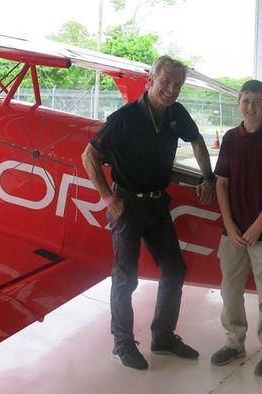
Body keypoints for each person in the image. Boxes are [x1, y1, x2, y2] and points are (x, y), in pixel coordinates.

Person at [82, 55, 216, 371]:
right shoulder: (125, 118)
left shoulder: (175, 114)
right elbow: (89, 155)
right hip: (126, 204)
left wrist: (207, 177)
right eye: (166, 82)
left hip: (157, 204)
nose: (171, 89)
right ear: (150, 80)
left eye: (177, 85)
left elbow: (197, 141)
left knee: (175, 268)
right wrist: (107, 199)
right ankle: (122, 343)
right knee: (125, 277)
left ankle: (164, 337)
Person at [210, 79, 262, 377]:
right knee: (230, 290)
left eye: (257, 101)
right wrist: (229, 225)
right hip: (232, 231)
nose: (251, 107)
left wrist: (257, 226)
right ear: (238, 103)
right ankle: (234, 343)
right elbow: (221, 183)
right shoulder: (231, 138)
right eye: (246, 101)